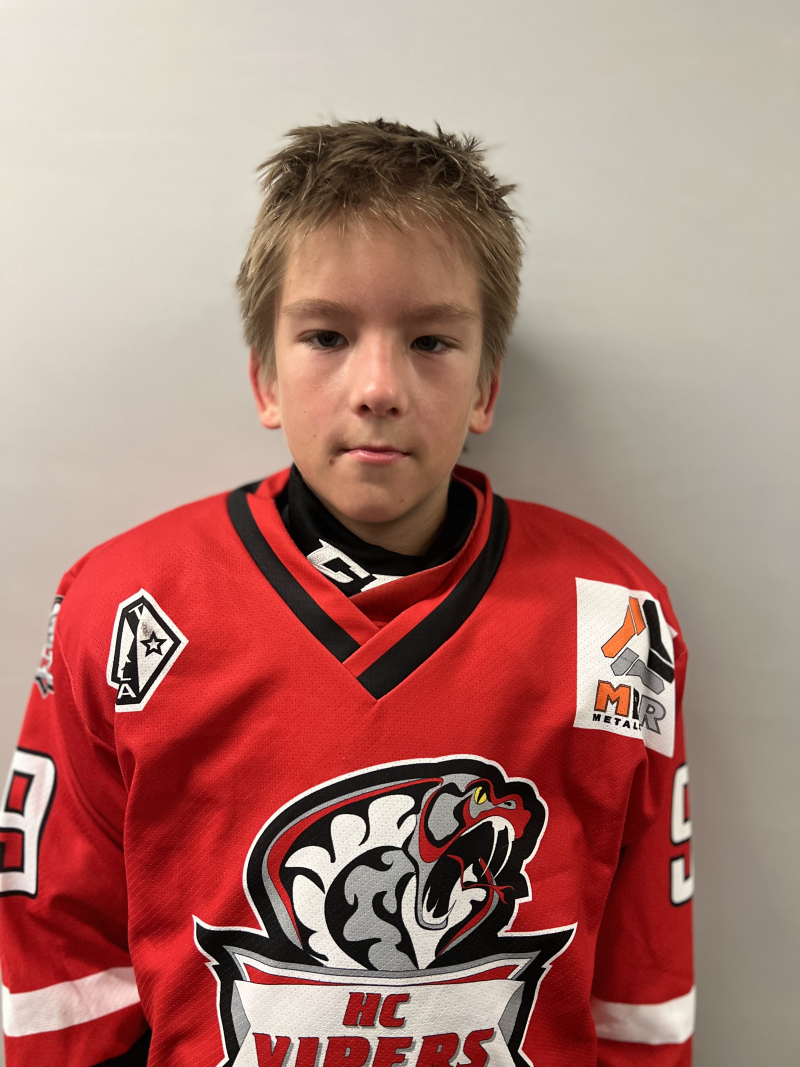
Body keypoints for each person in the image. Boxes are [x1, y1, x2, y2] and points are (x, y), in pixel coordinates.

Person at [0, 120, 694, 1067]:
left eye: (431, 340)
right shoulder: (124, 604)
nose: (377, 387)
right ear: (265, 379)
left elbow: (640, 989)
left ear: (486, 387)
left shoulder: (613, 617)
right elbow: (60, 964)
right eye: (326, 335)